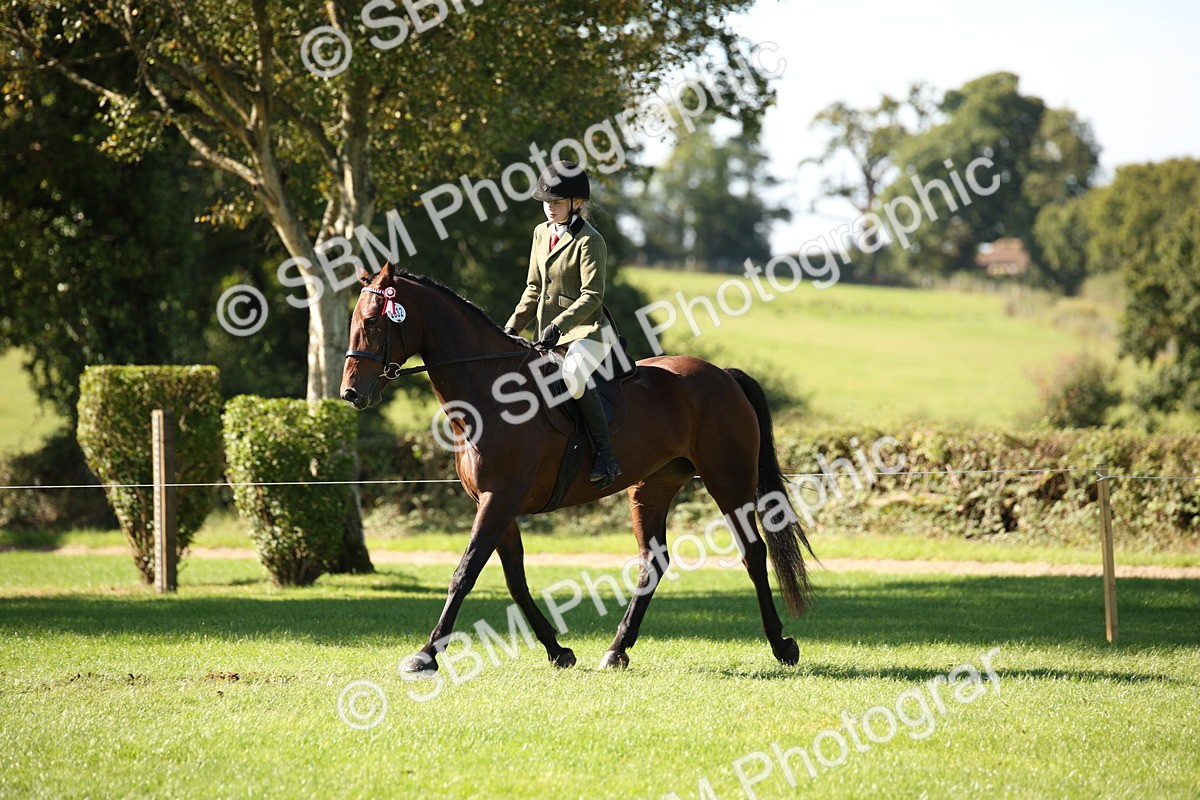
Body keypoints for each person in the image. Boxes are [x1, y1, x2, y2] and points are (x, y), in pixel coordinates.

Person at [504, 160, 622, 489]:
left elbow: (592, 296)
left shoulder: (590, 241)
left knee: (572, 375)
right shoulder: (541, 234)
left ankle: (607, 455)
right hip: (548, 334)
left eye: (556, 203)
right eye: (547, 203)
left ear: (577, 203)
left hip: (588, 333)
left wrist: (558, 325)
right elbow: (532, 288)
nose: (550, 209)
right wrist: (511, 328)